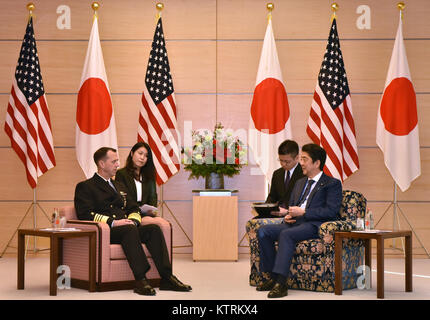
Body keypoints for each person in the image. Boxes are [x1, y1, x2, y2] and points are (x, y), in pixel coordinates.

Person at [74, 147, 191, 296]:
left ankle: (167, 277)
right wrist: (114, 222)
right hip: (107, 230)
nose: (118, 164)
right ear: (102, 164)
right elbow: (85, 214)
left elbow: (133, 208)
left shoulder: (118, 186)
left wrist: (133, 221)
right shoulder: (86, 186)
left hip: (127, 228)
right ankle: (140, 279)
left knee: (153, 229)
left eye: (117, 161)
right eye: (114, 161)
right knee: (128, 230)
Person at [256, 143, 342, 298]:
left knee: (286, 235)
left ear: (316, 163)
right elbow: (293, 206)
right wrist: (289, 214)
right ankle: (272, 277)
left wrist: (304, 212)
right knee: (263, 231)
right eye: (301, 158)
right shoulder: (300, 182)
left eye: (304, 159)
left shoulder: (332, 184)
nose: (301, 163)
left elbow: (331, 211)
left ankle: (281, 283)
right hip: (295, 223)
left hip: (314, 225)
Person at [262, 140, 305, 218]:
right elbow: (272, 197)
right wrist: (264, 209)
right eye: (281, 160)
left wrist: (287, 212)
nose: (283, 164)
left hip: (295, 216)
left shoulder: (304, 174)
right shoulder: (277, 174)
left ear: (297, 158)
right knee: (254, 222)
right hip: (278, 214)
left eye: (287, 161)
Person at [115, 141, 157, 213]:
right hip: (128, 213)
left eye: (146, 156)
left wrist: (151, 210)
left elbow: (153, 197)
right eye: (140, 153)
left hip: (146, 213)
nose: (142, 157)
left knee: (164, 223)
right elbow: (122, 198)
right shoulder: (121, 174)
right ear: (132, 153)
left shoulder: (149, 175)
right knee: (160, 223)